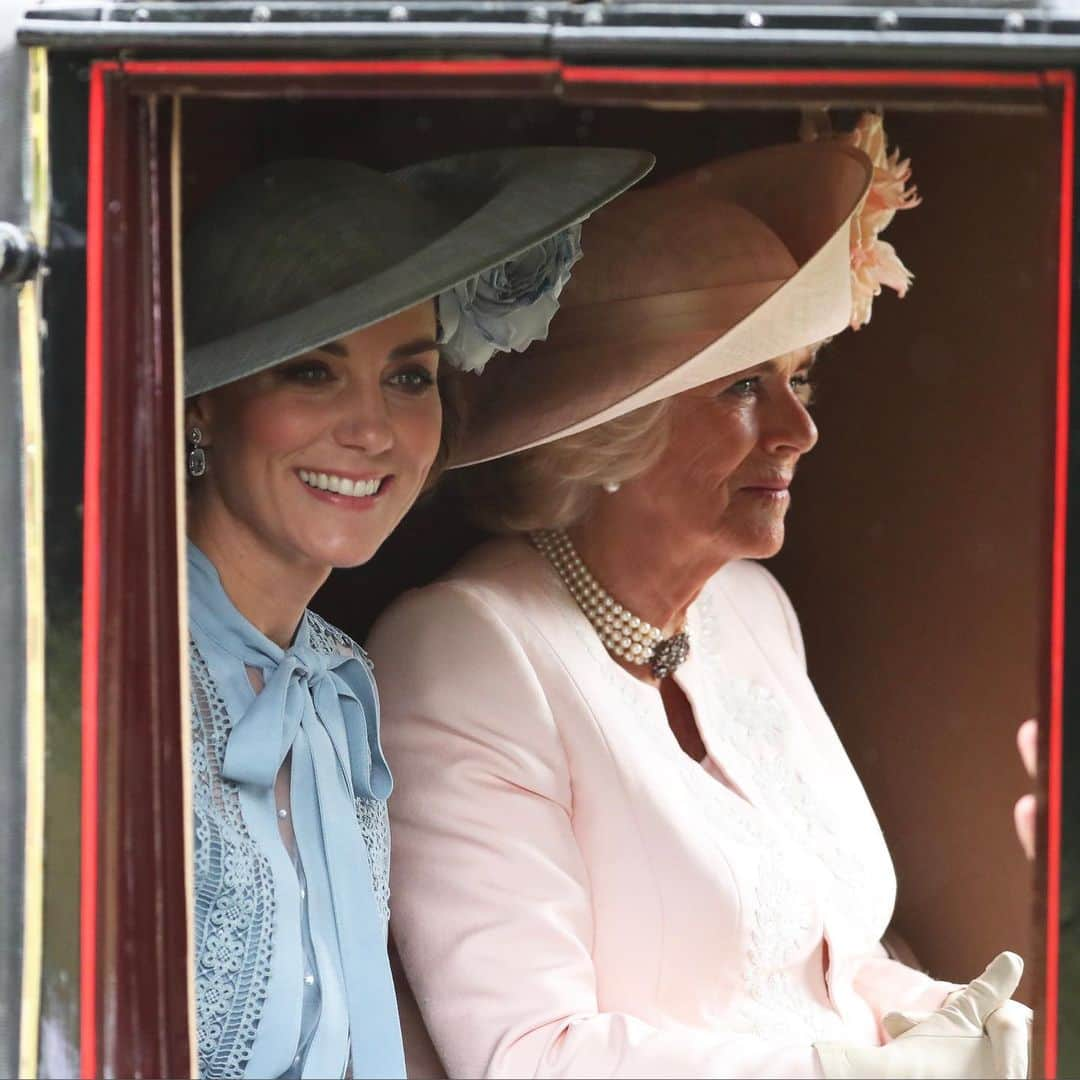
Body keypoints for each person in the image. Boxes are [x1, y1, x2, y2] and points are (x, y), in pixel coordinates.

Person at [366, 119, 1032, 1078]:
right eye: (741, 390)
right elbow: (528, 1056)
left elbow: (823, 956)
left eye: (797, 379)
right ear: (607, 436)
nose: (799, 428)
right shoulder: (464, 651)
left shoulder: (752, 609)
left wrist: (951, 1023)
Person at [181, 147, 653, 1080]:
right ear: (205, 405)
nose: (372, 429)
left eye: (408, 377)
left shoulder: (335, 680)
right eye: (312, 373)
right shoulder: (101, 675)